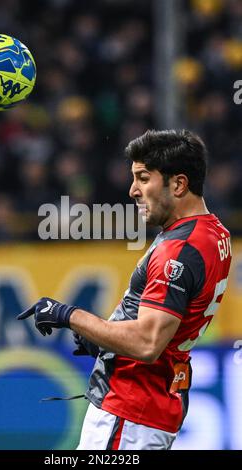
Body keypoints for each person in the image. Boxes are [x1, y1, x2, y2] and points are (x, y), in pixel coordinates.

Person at [18, 129, 232, 450]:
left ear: (178, 184)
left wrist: (69, 314)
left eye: (143, 178)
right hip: (150, 405)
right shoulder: (215, 233)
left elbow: (147, 342)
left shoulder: (178, 249)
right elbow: (167, 327)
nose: (132, 190)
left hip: (129, 411)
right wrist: (104, 339)